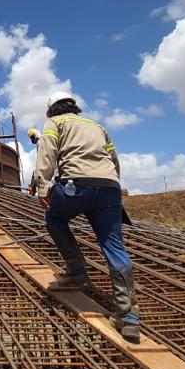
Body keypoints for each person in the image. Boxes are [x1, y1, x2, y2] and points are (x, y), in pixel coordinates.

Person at [33, 91, 140, 343]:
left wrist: (42, 185)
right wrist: (113, 184)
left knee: (55, 218)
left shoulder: (55, 123)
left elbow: (46, 154)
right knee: (114, 246)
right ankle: (128, 317)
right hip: (109, 187)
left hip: (76, 185)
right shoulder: (97, 125)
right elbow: (113, 159)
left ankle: (76, 272)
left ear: (51, 110)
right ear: (74, 106)